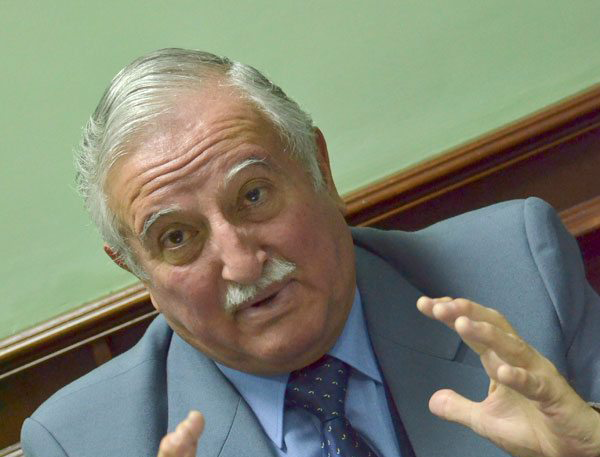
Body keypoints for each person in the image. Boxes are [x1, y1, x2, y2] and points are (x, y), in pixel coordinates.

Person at [21, 48, 600, 457]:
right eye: (177, 238)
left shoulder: (518, 271)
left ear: (319, 167)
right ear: (136, 269)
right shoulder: (82, 443)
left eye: (253, 196)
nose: (242, 264)